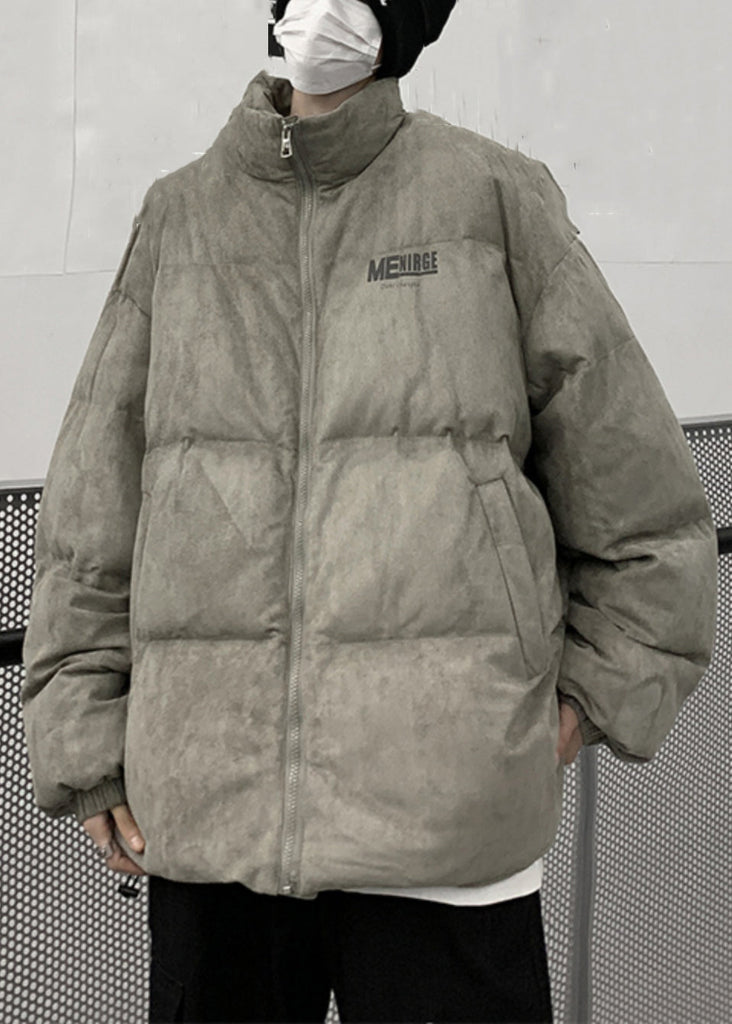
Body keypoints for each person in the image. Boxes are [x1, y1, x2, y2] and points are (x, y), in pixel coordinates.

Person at [20, 0, 718, 1021]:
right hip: (215, 819)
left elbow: (644, 504)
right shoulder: (181, 218)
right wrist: (83, 738)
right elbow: (95, 510)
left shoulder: (490, 198)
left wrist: (585, 701)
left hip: (446, 829)